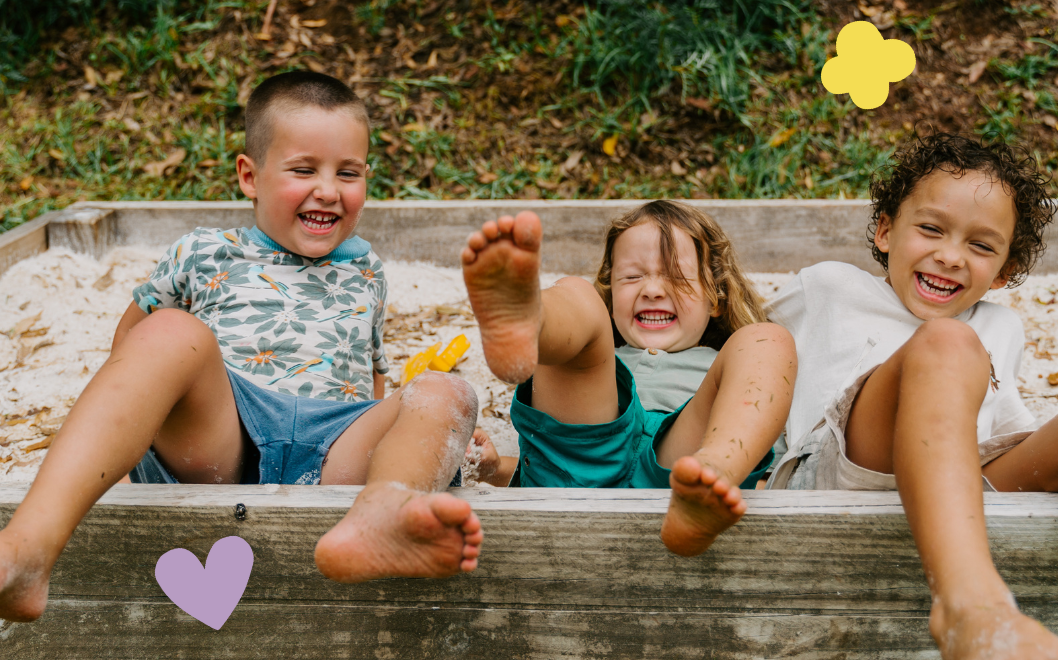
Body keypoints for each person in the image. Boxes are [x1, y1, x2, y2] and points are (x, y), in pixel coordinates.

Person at [0, 71, 483, 623]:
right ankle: (28, 551)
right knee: (169, 332)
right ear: (250, 176)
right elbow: (129, 350)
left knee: (447, 391)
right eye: (304, 170)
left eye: (348, 173)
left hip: (333, 446)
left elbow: (371, 377)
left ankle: (382, 514)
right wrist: (133, 437)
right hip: (224, 433)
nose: (328, 189)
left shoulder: (368, 269)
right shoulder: (203, 251)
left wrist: (399, 431)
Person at [766, 133, 1058, 658]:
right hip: (840, 472)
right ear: (885, 231)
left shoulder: (1001, 326)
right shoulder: (830, 286)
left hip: (959, 489)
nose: (950, 256)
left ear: (1005, 271)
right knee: (945, 343)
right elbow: (751, 353)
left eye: (981, 245)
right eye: (930, 229)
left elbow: (1009, 435)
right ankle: (968, 606)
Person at [461, 200, 797, 556]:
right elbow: (547, 459)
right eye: (632, 277)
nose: (652, 289)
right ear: (612, 294)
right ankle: (529, 320)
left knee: (767, 339)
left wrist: (746, 482)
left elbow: (760, 438)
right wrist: (496, 470)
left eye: (678, 277)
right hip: (586, 445)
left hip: (682, 462)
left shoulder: (723, 363)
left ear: (716, 297)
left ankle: (715, 475)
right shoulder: (598, 357)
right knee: (577, 294)